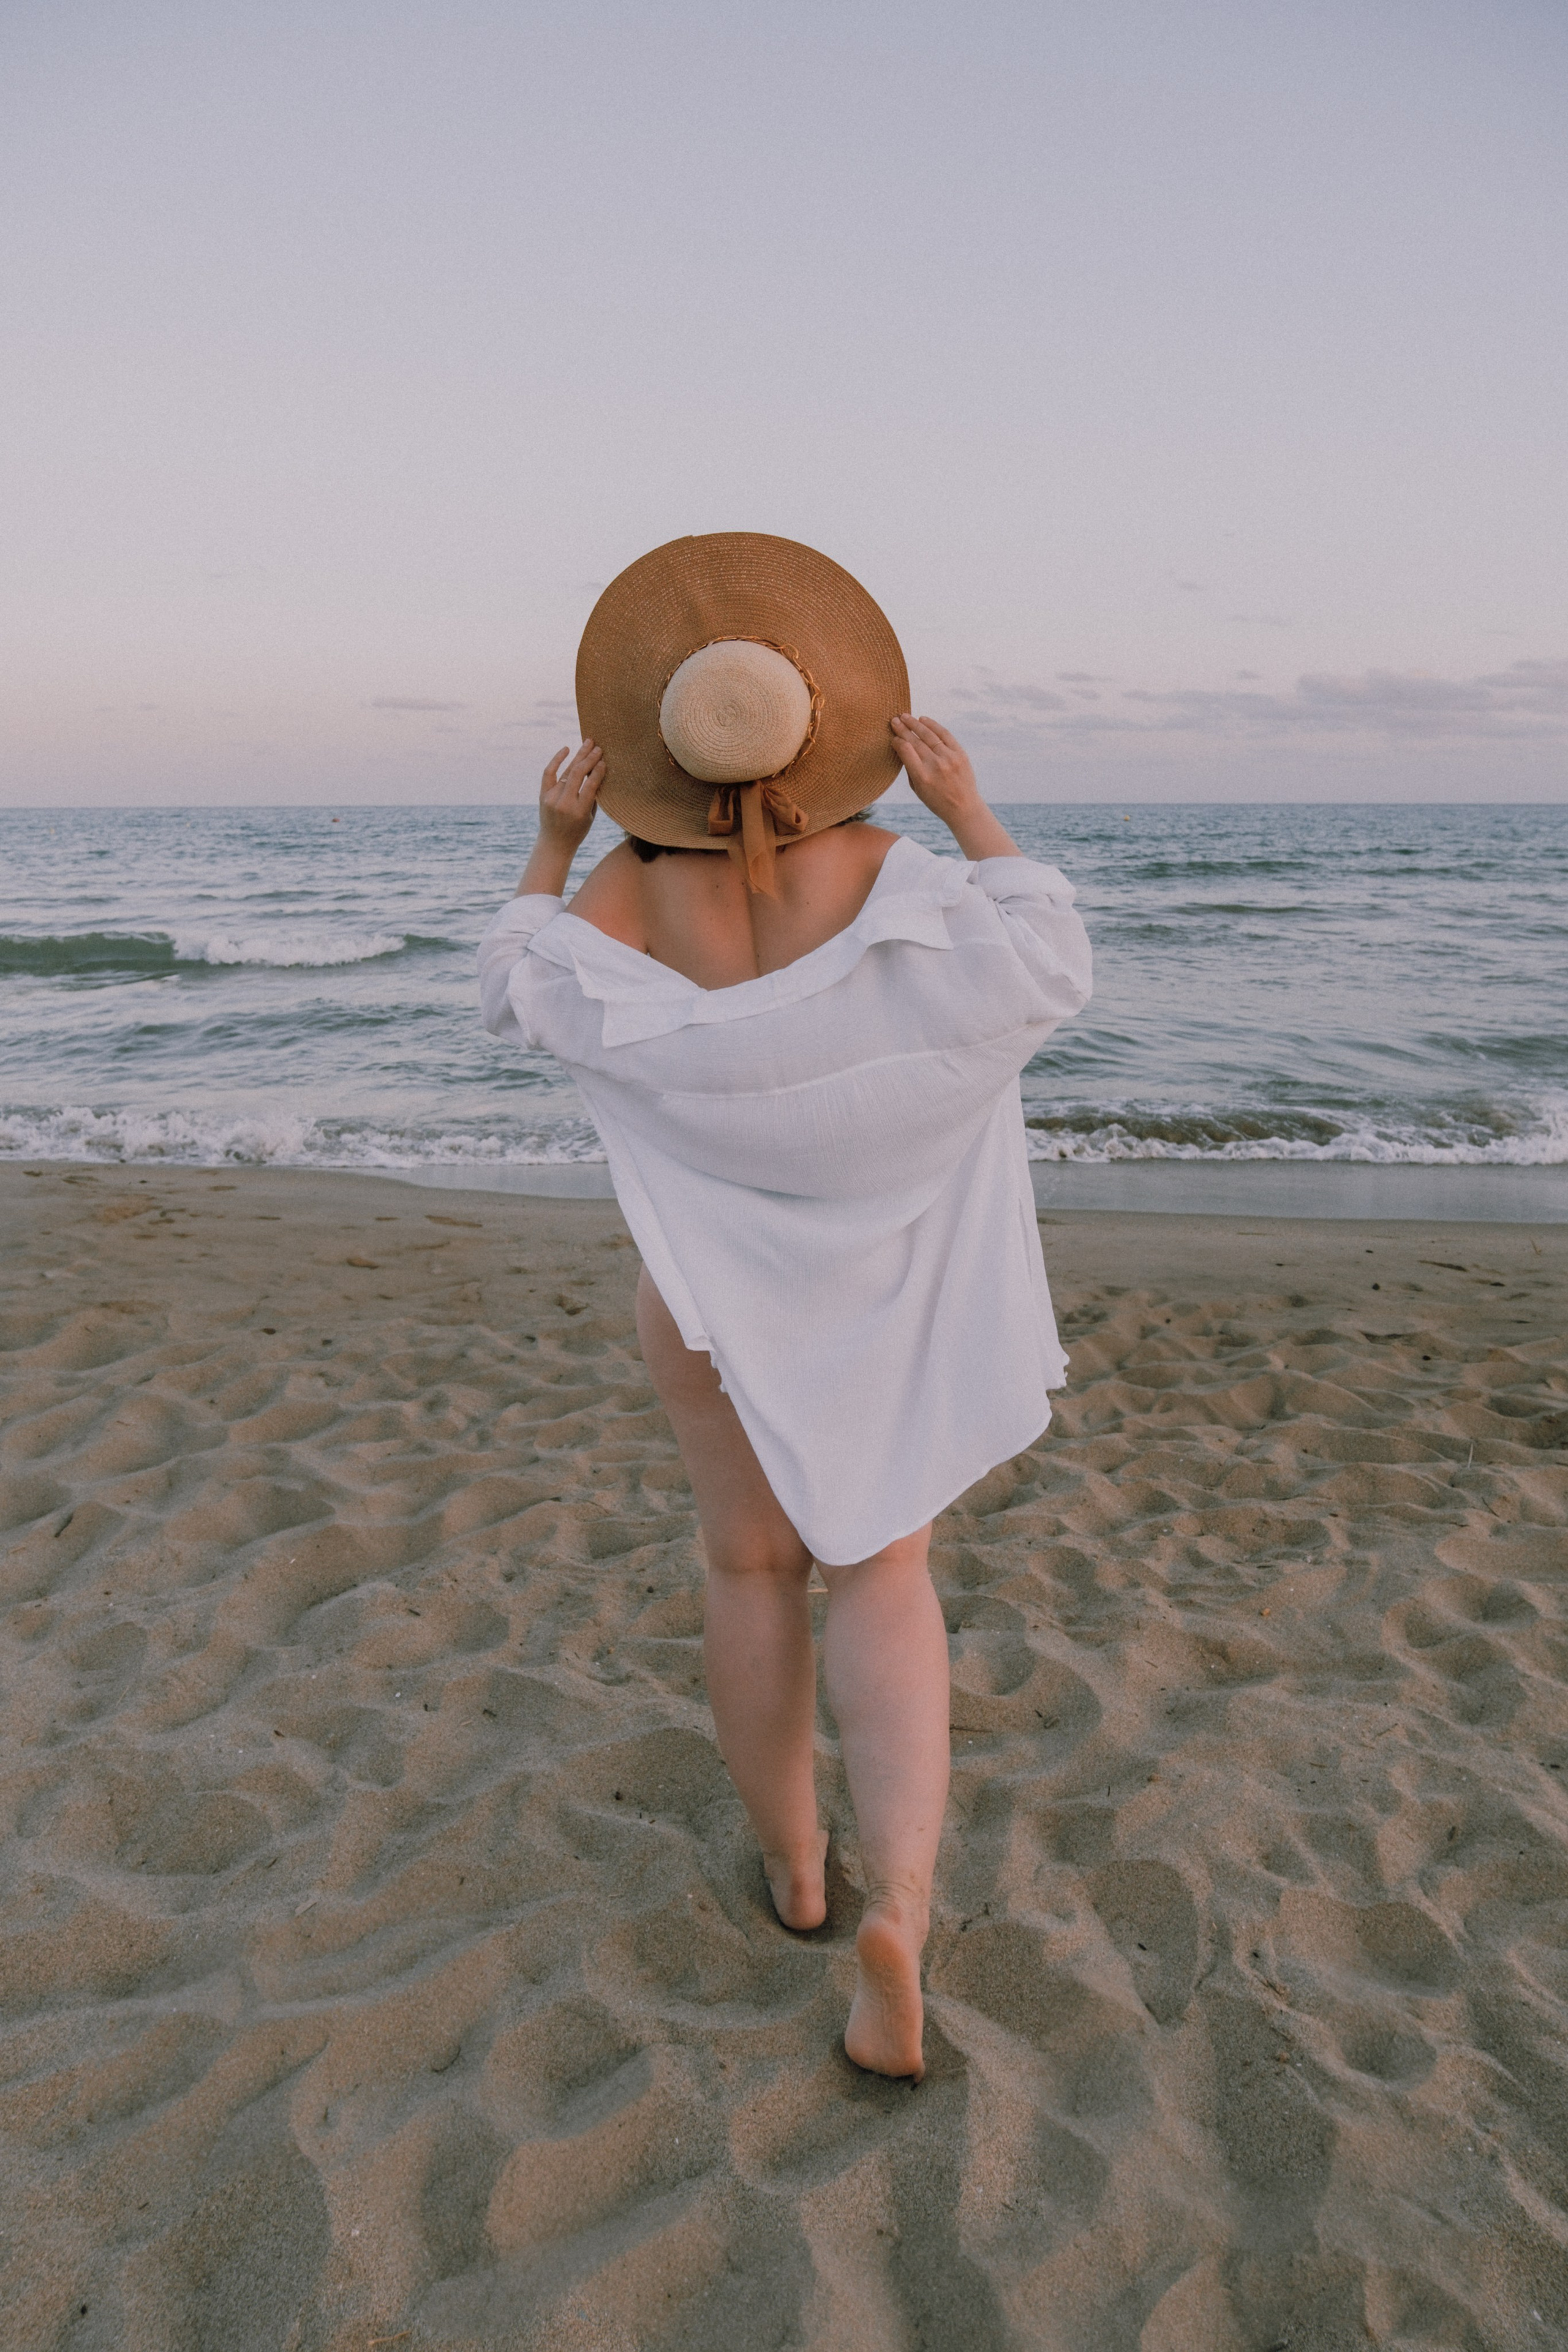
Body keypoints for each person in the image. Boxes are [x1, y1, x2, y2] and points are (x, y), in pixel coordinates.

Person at [480, 533, 1091, 2078]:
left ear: (656, 765)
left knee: (746, 1568)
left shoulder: (627, 883)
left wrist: (551, 845)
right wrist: (965, 806)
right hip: (879, 1280)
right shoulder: (892, 871)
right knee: (878, 1570)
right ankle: (900, 1902)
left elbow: (519, 994)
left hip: (696, 1295)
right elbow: (1041, 966)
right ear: (830, 732)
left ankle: (798, 1875)